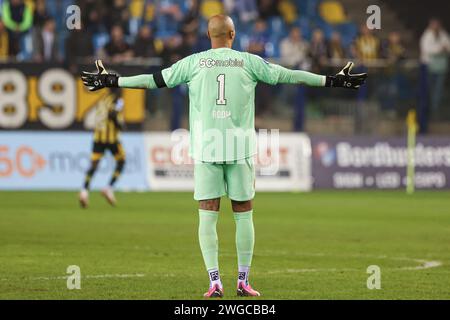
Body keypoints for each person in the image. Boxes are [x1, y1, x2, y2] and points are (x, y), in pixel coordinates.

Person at [81, 15, 367, 298]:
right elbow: (290, 75)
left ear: (208, 36)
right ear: (233, 34)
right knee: (244, 213)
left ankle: (214, 281)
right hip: (240, 148)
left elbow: (152, 81)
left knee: (208, 213)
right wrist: (331, 80)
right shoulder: (249, 61)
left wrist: (113, 80)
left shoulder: (192, 62)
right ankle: (243, 281)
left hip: (207, 148)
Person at [79, 85, 126, 209]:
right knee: (121, 161)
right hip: (111, 139)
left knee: (94, 165)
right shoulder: (117, 100)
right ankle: (109, 188)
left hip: (98, 137)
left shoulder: (103, 99)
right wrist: (120, 125)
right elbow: (113, 115)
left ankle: (84, 191)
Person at [420, 18, 450, 116]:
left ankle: (435, 109)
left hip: (441, 66)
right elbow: (427, 49)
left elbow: (448, 46)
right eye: (433, 25)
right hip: (428, 66)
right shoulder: (426, 35)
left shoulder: (443, 34)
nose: (435, 27)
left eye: (437, 24)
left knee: (439, 89)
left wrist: (443, 49)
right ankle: (430, 110)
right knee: (429, 89)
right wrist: (440, 49)